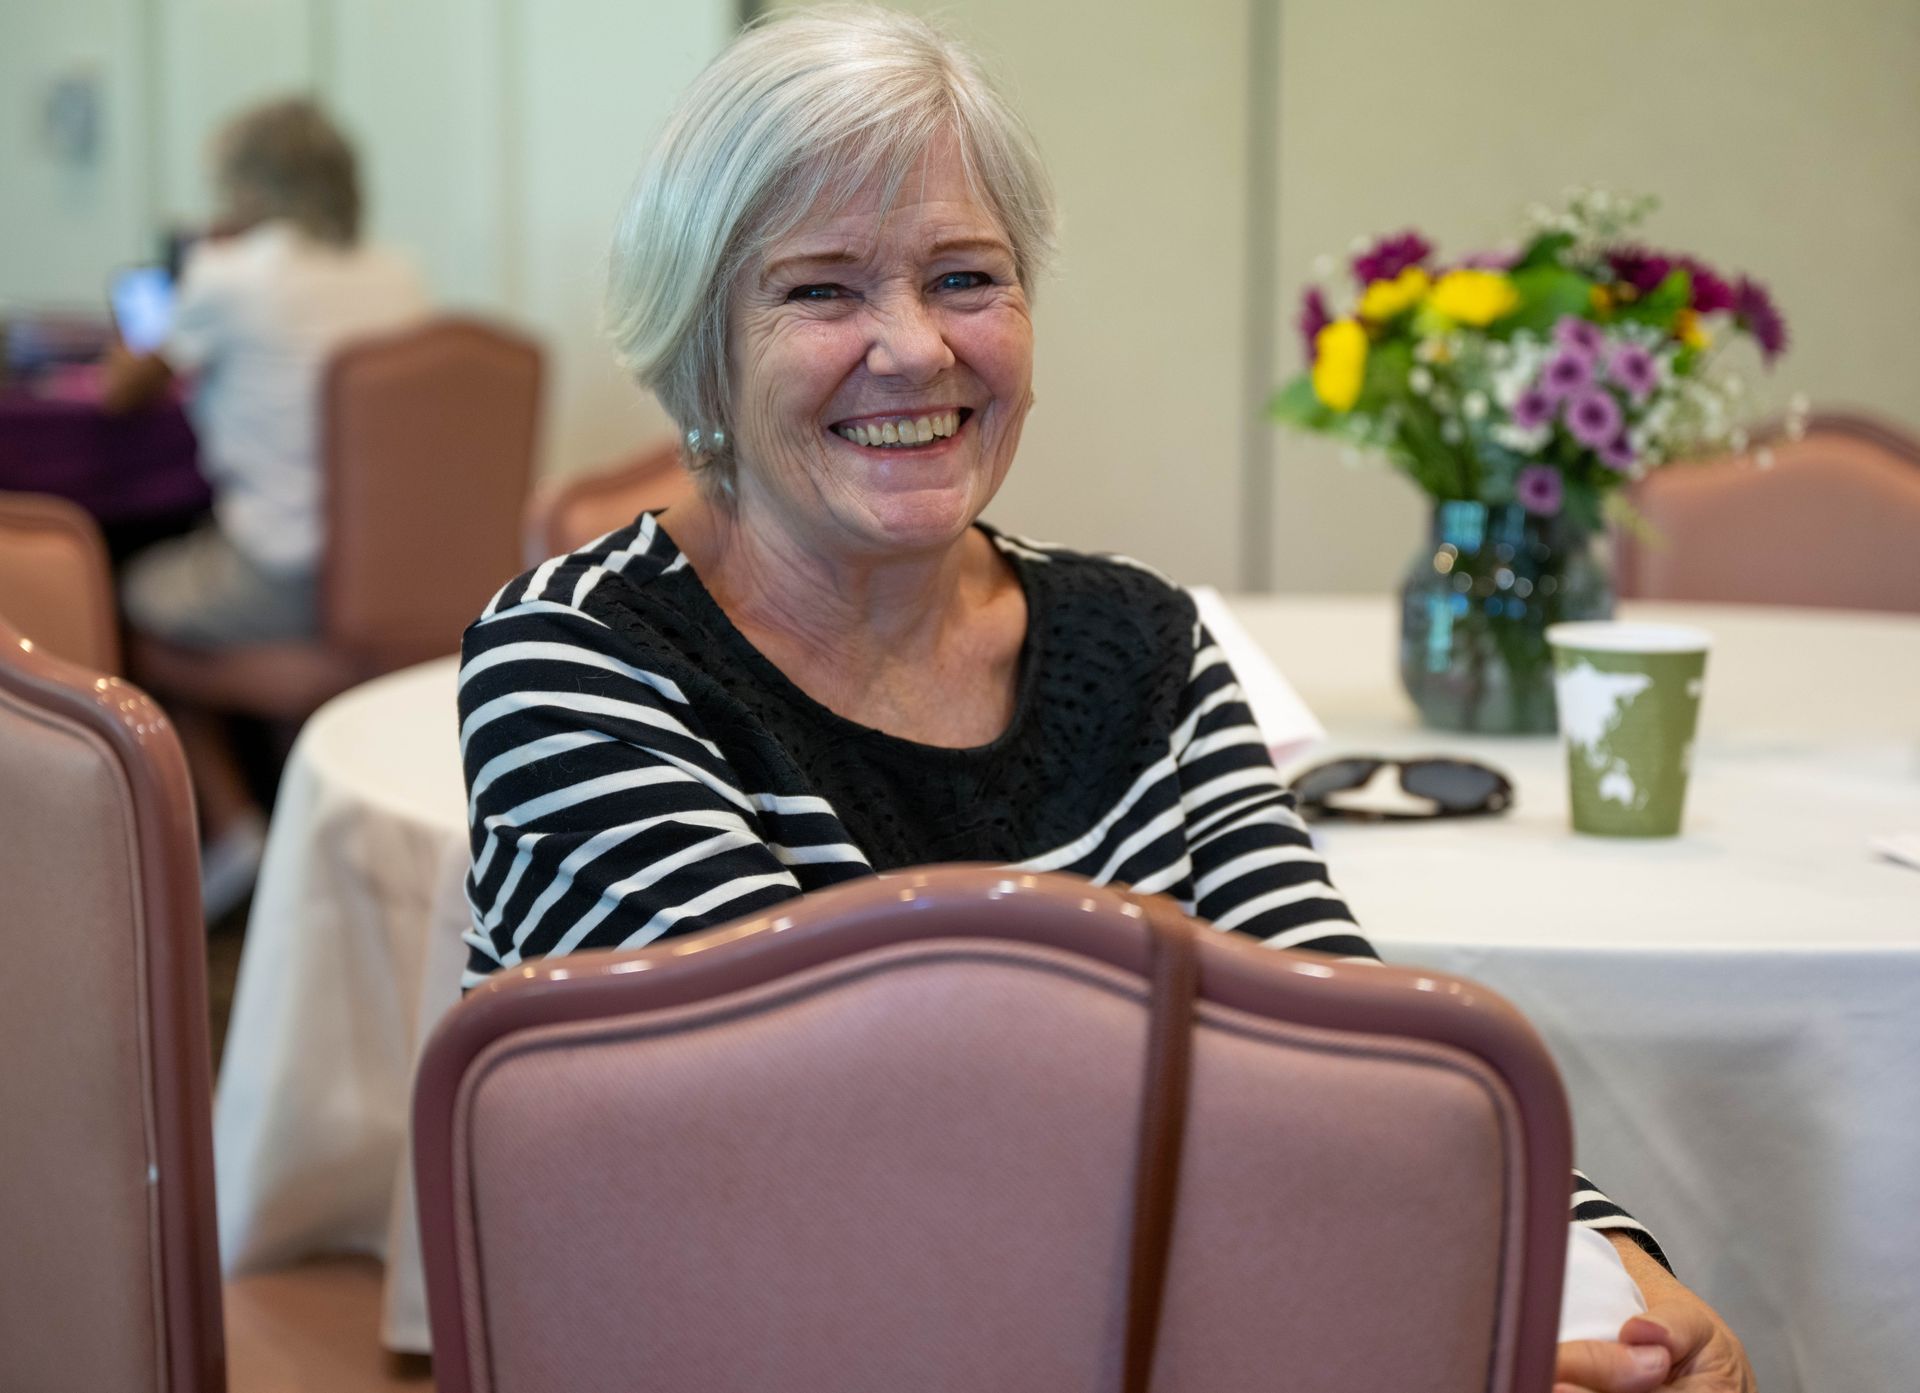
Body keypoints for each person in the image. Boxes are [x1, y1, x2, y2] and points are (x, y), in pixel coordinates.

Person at [457, 11, 1752, 1391]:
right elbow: (853, 1158)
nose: (912, 348)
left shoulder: (1137, 641)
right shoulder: (584, 666)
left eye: (965, 277)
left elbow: (1346, 1030)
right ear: (697, 343)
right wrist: (1415, 1324)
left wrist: (1605, 1274)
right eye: (821, 291)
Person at [103, 97, 428, 913]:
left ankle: (235, 824)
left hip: (281, 569)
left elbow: (122, 387)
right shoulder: (397, 273)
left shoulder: (233, 275)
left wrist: (174, 285)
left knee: (131, 607)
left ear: (247, 187)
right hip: (390, 576)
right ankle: (305, 802)